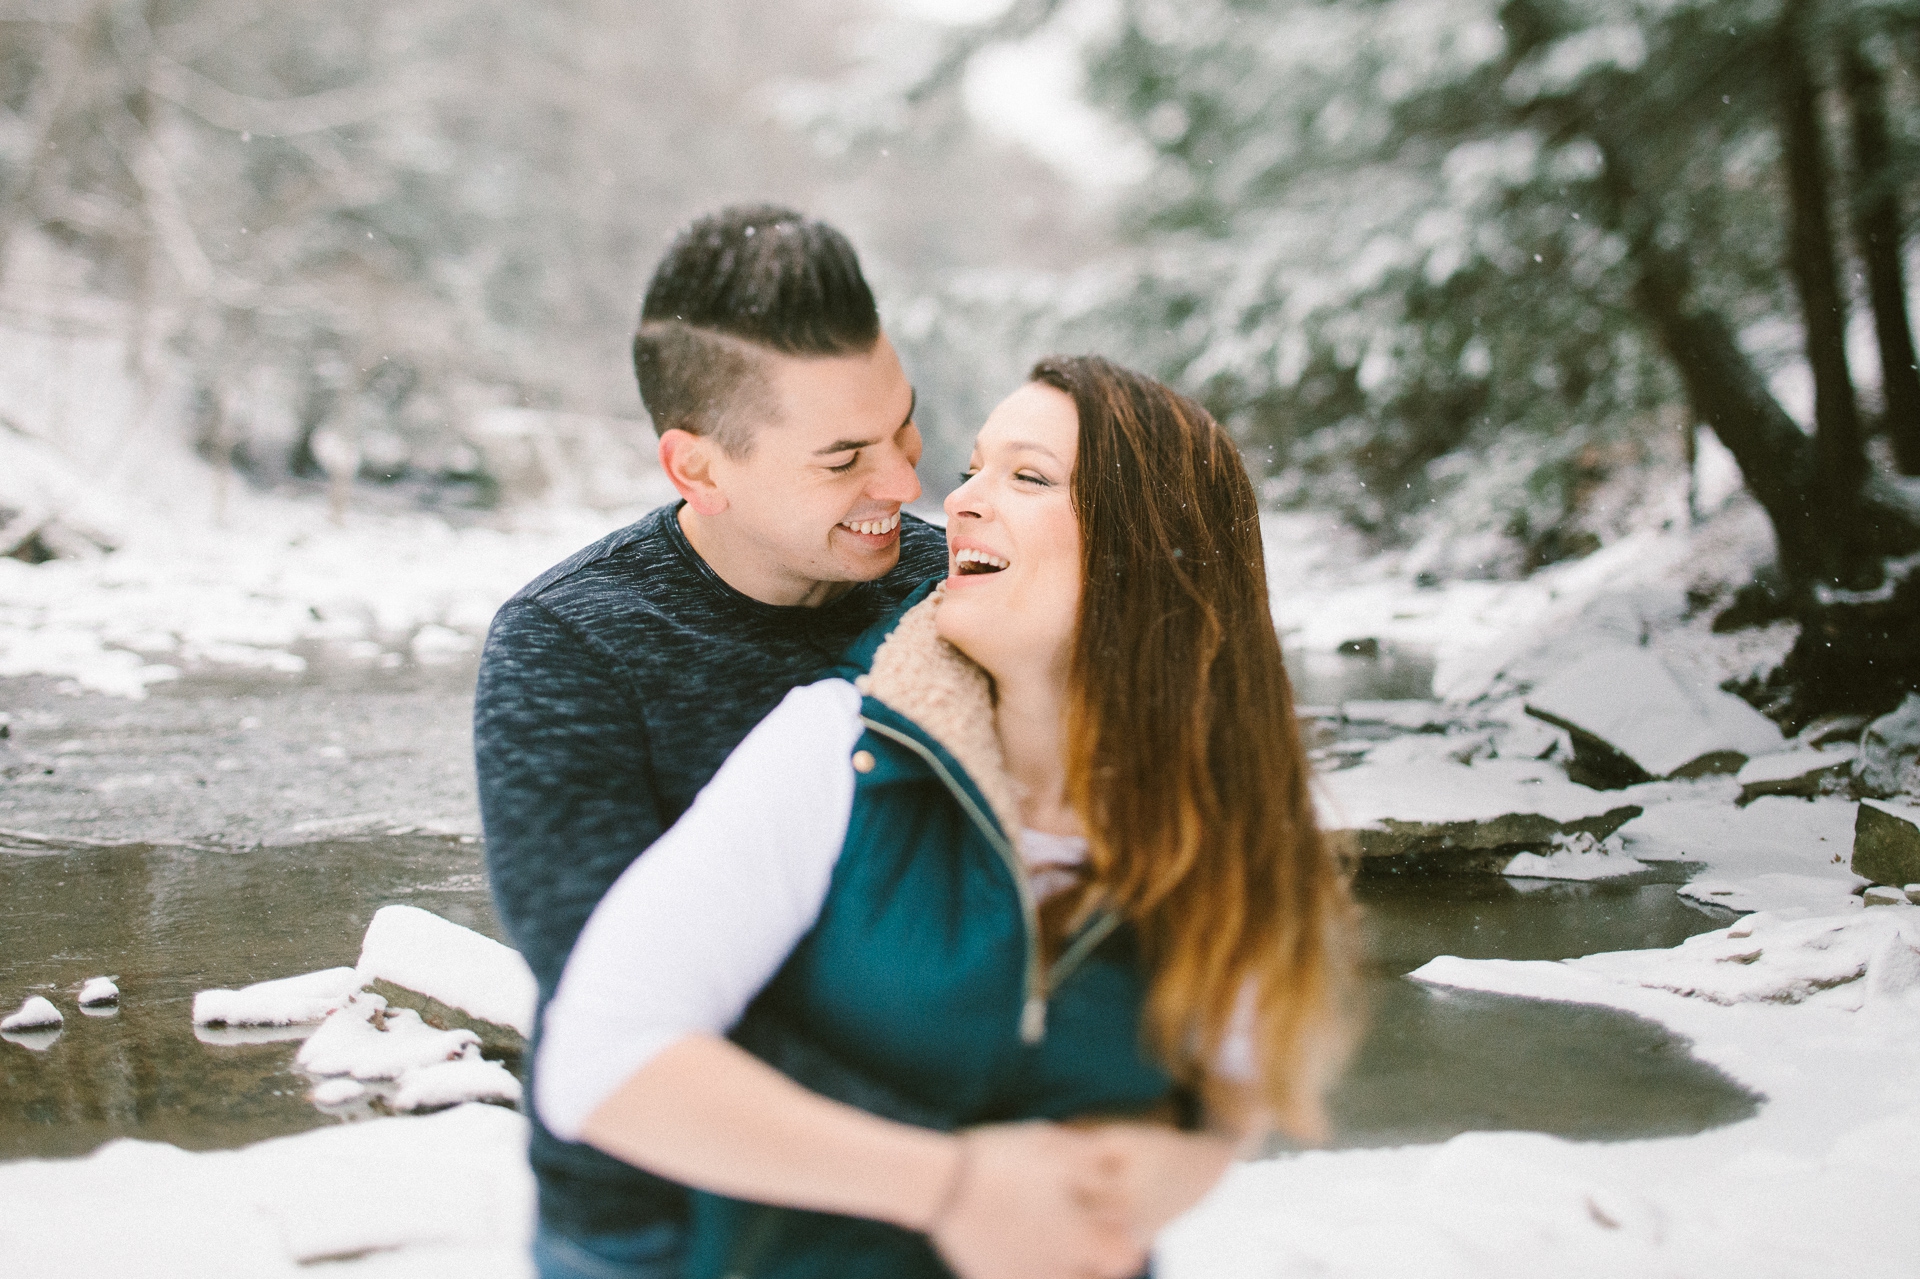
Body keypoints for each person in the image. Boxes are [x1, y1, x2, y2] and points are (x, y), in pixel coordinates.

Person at [536, 356, 1358, 1279]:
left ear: (1150, 548)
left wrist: (1179, 1163)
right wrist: (954, 1185)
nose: (960, 498)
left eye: (1028, 475)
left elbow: (1232, 1087)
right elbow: (598, 1062)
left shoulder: (1231, 815)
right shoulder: (842, 749)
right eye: (974, 465)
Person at [474, 205, 954, 1278]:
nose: (905, 483)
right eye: (844, 460)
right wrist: (948, 1150)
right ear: (698, 469)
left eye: (905, 430)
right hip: (660, 1222)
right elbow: (615, 992)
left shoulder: (954, 594)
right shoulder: (568, 644)